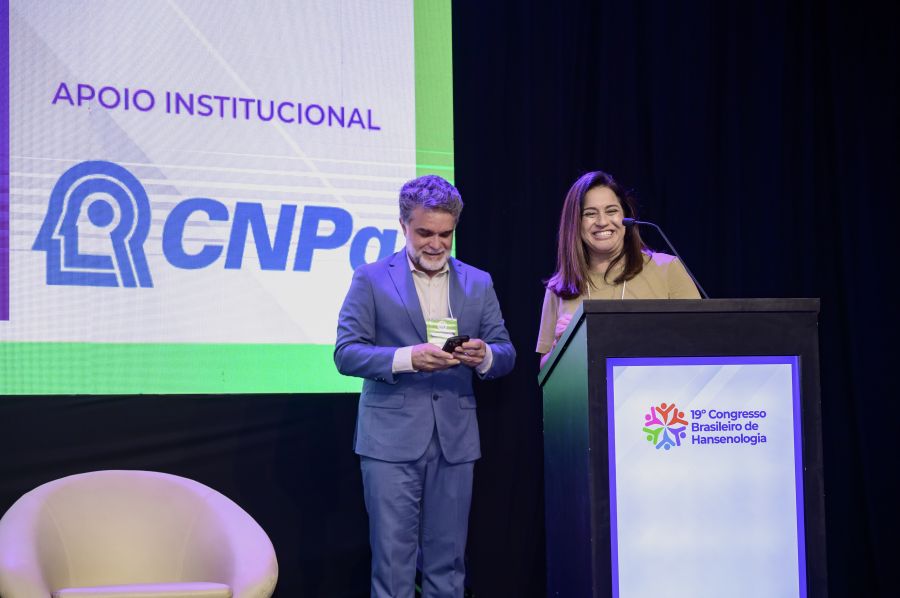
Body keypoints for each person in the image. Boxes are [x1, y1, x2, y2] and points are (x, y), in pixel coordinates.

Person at [335, 174, 516, 598]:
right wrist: (407, 358)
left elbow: (506, 351)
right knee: (392, 565)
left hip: (455, 440)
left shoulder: (478, 282)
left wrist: (483, 355)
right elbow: (346, 352)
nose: (436, 244)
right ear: (403, 225)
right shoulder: (371, 278)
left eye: (445, 234)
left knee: (448, 565)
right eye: (424, 233)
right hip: (389, 441)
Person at [537, 170, 701, 367]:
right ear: (575, 223)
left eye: (611, 211)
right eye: (590, 214)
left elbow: (702, 338)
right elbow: (544, 371)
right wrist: (560, 346)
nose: (602, 222)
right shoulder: (559, 287)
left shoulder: (667, 269)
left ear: (626, 216)